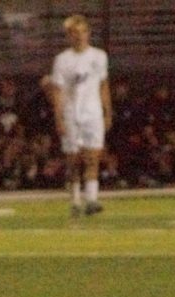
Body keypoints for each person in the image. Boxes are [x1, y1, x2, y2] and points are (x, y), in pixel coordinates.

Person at [48, 13, 111, 216]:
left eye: (83, 32)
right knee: (73, 160)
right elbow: (57, 91)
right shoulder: (62, 60)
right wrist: (58, 118)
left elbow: (103, 85)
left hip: (92, 113)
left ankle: (91, 199)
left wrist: (107, 111)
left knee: (93, 157)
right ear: (69, 35)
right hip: (71, 114)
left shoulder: (99, 56)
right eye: (75, 33)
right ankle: (75, 199)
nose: (80, 36)